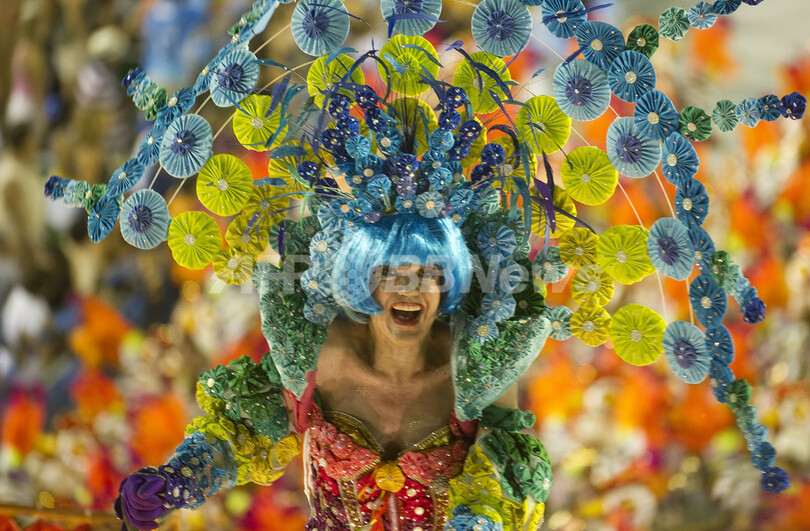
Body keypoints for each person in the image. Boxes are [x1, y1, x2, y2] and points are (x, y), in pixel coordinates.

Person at [115, 214, 553, 530]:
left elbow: (500, 485)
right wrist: (176, 481)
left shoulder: (476, 365)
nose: (409, 289)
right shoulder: (314, 354)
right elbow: (242, 433)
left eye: (428, 274)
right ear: (364, 282)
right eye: (390, 273)